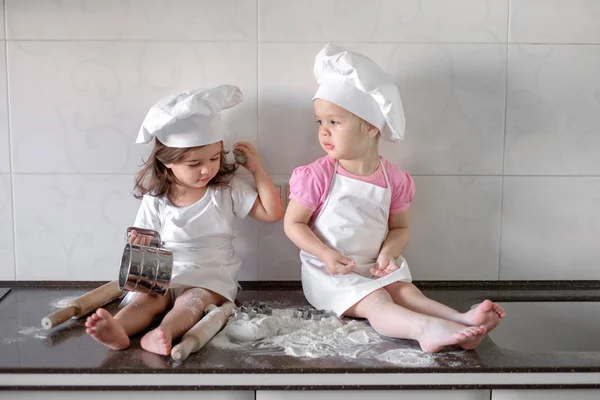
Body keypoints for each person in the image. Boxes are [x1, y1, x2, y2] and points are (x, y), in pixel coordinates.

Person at [284, 44, 505, 353]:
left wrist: (389, 252)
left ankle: (461, 319)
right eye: (320, 122)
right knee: (377, 301)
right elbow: (293, 223)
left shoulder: (395, 179)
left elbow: (400, 228)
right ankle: (425, 330)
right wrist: (324, 254)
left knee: (405, 291)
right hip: (331, 273)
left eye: (335, 122)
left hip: (374, 266)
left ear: (371, 127)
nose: (324, 132)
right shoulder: (317, 175)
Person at [86, 85, 284, 355]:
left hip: (212, 274)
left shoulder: (226, 189)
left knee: (192, 302)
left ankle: (163, 332)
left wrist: (257, 169)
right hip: (166, 271)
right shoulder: (157, 197)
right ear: (167, 161)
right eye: (194, 164)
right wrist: (139, 240)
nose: (207, 169)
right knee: (145, 298)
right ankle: (118, 329)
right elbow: (141, 239)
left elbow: (272, 213)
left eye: (214, 157)